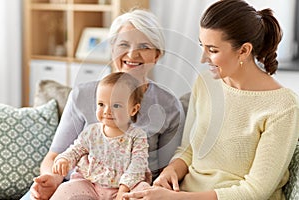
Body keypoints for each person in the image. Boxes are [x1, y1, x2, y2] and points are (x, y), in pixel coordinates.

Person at [122, 0, 299, 199]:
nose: (202, 59)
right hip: (185, 192)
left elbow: (255, 191)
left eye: (213, 50)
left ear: (244, 51)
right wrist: (171, 171)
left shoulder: (283, 106)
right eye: (202, 46)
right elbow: (188, 149)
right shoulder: (205, 83)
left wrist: (174, 198)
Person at [27, 9, 185, 200]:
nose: (132, 53)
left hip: (131, 190)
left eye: (144, 46)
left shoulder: (168, 105)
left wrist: (130, 188)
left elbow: (167, 168)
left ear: (157, 55)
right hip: (82, 186)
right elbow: (57, 155)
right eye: (124, 44)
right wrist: (53, 178)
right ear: (112, 49)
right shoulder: (82, 95)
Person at [50, 72, 150, 200]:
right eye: (101, 104)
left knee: (143, 192)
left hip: (125, 186)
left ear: (133, 110)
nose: (107, 111)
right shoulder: (92, 132)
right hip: (91, 184)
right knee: (65, 190)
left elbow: (138, 165)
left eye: (116, 105)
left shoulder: (137, 136)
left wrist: (124, 190)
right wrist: (64, 160)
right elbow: (75, 150)